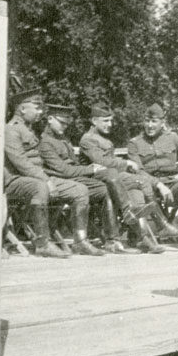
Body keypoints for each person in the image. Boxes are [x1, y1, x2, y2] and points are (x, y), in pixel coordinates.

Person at [4, 89, 104, 257]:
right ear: (22, 109)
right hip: (16, 181)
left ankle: (80, 241)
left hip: (37, 179)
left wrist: (49, 179)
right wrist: (46, 179)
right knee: (40, 187)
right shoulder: (10, 130)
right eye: (36, 108)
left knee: (80, 190)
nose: (40, 112)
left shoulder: (28, 129)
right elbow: (21, 162)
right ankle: (43, 243)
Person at [79, 102, 178, 252]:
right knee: (141, 181)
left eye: (111, 120)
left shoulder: (104, 139)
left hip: (112, 178)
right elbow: (102, 161)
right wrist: (126, 162)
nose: (110, 124)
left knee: (137, 190)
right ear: (94, 121)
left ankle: (143, 238)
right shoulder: (88, 139)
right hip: (96, 180)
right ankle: (161, 225)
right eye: (105, 121)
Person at [38, 104, 140, 254]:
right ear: (50, 119)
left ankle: (113, 240)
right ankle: (83, 240)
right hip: (59, 180)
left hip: (74, 177)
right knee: (102, 182)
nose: (65, 126)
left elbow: (72, 165)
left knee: (106, 188)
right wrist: (90, 169)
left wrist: (89, 169)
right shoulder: (46, 142)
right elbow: (63, 170)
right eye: (62, 122)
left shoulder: (62, 138)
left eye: (67, 123)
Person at [127, 103, 178, 206]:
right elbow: (138, 171)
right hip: (149, 185)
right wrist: (159, 185)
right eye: (147, 121)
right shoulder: (135, 143)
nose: (150, 125)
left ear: (162, 123)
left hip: (173, 183)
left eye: (154, 121)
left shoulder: (172, 138)